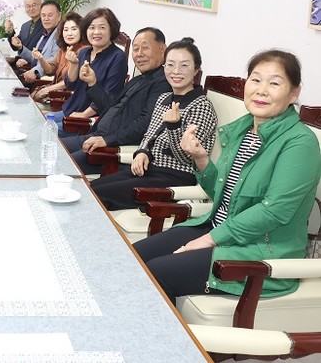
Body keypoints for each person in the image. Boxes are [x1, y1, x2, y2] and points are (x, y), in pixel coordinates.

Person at [134, 49, 321, 305]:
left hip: (258, 250)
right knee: (131, 256)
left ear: (294, 93)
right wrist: (201, 159)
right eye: (255, 80)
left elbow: (275, 211)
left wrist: (208, 240)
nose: (261, 90)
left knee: (155, 273)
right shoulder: (242, 130)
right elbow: (221, 195)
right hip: (219, 229)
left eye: (274, 83)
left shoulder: (300, 142)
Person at [90, 38, 218, 210]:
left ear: (196, 70)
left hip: (175, 179)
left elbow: (188, 158)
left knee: (96, 197)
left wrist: (174, 127)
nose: (176, 71)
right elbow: (149, 134)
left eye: (184, 66)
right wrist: (142, 152)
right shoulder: (164, 98)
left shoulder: (202, 106)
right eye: (170, 65)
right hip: (148, 170)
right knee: (89, 189)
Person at [61, 27, 170, 174]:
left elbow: (145, 124)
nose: (139, 54)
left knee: (61, 164)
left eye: (145, 48)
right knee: (53, 147)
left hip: (110, 148)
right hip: (96, 136)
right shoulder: (138, 79)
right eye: (135, 49)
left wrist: (108, 140)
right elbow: (109, 107)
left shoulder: (163, 83)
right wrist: (93, 83)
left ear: (162, 49)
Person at [57, 7, 128, 127]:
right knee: (39, 124)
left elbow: (110, 98)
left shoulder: (117, 57)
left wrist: (84, 115)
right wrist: (74, 64)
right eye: (92, 27)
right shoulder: (84, 52)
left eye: (102, 27)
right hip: (70, 109)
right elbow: (70, 84)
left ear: (111, 29)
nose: (96, 32)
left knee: (46, 131)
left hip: (89, 120)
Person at [31, 11, 88, 101]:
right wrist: (41, 58)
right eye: (66, 30)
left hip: (69, 98)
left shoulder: (85, 51)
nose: (69, 33)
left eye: (74, 29)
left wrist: (47, 89)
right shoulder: (63, 49)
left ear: (81, 31)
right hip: (56, 95)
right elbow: (50, 70)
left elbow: (70, 82)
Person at [14, 0, 63, 84]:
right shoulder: (44, 35)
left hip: (44, 80)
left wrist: (35, 71)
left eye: (50, 15)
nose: (46, 19)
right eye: (43, 15)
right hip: (33, 74)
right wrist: (21, 47)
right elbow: (35, 57)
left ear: (59, 16)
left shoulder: (60, 35)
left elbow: (53, 61)